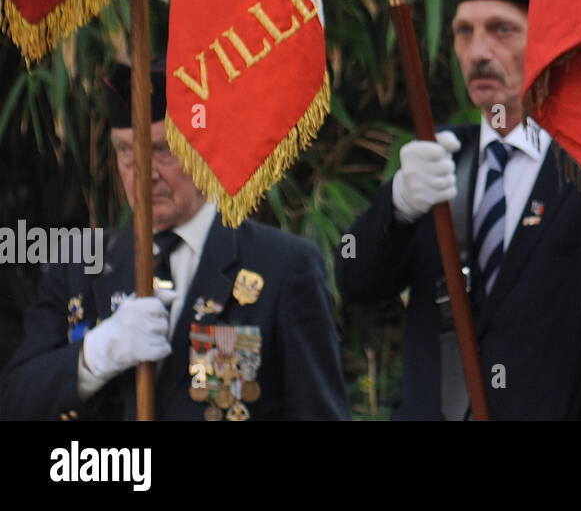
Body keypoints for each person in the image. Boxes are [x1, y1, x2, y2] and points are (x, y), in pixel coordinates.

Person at [337, 0, 581, 419]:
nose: (479, 51)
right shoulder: (438, 158)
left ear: (545, 41)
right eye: (465, 32)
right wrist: (397, 207)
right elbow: (356, 281)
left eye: (501, 30)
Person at [0, 60, 348, 421]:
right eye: (124, 151)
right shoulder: (80, 264)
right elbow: (15, 402)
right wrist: (96, 355)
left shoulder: (281, 266)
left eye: (162, 150)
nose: (143, 173)